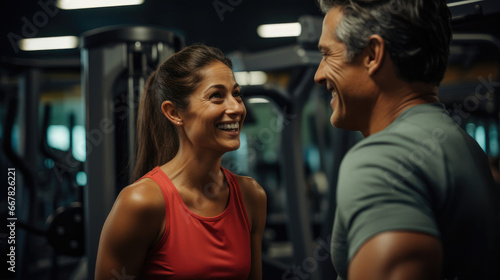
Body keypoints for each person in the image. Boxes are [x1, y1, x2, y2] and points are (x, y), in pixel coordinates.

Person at [314, 0, 500, 279]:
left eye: (328, 54)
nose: (318, 74)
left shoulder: (385, 159)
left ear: (372, 55)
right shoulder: (465, 147)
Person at [95, 44, 267, 279]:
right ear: (174, 113)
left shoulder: (251, 196)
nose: (236, 107)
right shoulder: (141, 203)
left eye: (236, 94)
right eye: (216, 96)